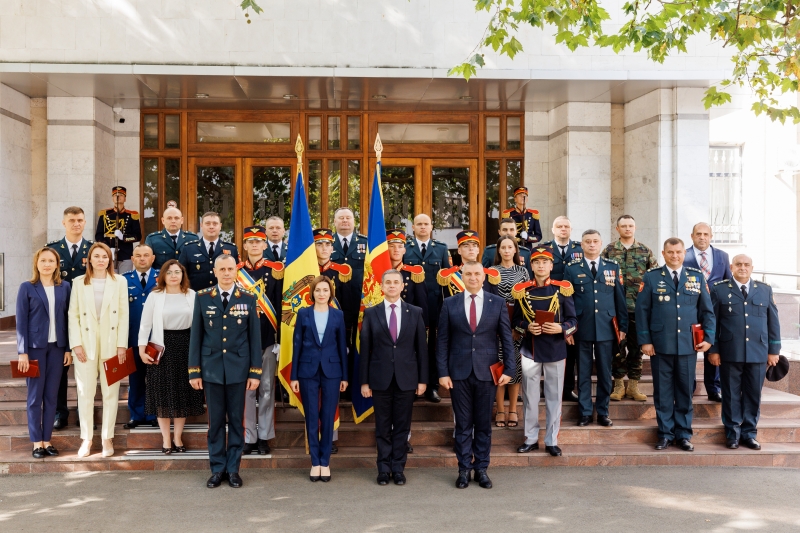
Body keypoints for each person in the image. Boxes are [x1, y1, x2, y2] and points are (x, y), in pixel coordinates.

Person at [437, 261, 515, 489]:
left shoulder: (497, 303)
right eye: (468, 274)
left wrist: (509, 369)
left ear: (484, 277)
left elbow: (506, 339)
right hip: (458, 373)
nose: (472, 277)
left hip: (486, 372)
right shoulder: (449, 304)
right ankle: (463, 470)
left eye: (477, 274)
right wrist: (442, 372)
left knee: (483, 424)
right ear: (462, 276)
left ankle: (481, 468)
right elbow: (442, 341)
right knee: (462, 424)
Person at [635, 237, 715, 452]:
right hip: (660, 345)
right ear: (663, 253)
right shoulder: (652, 277)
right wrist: (645, 341)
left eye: (678, 252)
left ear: (684, 253)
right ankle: (664, 434)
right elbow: (642, 312)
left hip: (688, 346)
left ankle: (683, 435)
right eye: (670, 252)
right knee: (662, 392)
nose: (675, 256)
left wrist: (708, 338)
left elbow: (707, 311)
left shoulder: (696, 277)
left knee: (684, 392)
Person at [188, 254, 261, 489]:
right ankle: (217, 469)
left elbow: (254, 339)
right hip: (211, 371)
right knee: (216, 422)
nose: (227, 273)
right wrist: (194, 371)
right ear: (215, 271)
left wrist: (255, 372)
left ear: (236, 271)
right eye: (223, 269)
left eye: (231, 269)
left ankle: (234, 469)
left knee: (237, 423)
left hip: (239, 371)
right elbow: (196, 337)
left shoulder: (248, 298)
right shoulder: (202, 297)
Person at [360, 270, 428, 485]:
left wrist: (423, 380)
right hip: (379, 379)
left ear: (402, 286)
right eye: (387, 282)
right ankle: (383, 468)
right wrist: (364, 381)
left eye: (395, 282)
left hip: (407, 379)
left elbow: (422, 349)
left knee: (401, 426)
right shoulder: (372, 313)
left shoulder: (415, 312)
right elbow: (366, 350)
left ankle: (398, 468)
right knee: (382, 426)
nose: (391, 285)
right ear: (381, 286)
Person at [709, 254, 781, 450]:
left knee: (753, 394)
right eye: (738, 264)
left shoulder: (764, 290)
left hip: (758, 352)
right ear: (731, 267)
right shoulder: (720, 289)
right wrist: (713, 350)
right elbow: (712, 322)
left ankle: (749, 434)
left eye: (746, 265)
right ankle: (732, 434)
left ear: (752, 267)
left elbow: (773, 322)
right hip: (730, 351)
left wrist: (774, 349)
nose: (742, 267)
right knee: (730, 394)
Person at [512, 248, 578, 457]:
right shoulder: (522, 290)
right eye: (537, 262)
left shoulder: (562, 289)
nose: (541, 265)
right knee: (530, 397)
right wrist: (526, 327)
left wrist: (561, 328)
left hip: (555, 348)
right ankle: (530, 438)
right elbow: (515, 322)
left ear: (551, 266)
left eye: (545, 262)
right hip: (530, 348)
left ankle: (551, 439)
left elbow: (574, 321)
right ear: (531, 266)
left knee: (554, 396)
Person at [68, 242, 130, 458]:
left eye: (105, 256)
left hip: (112, 345)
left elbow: (124, 315)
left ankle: (107, 437)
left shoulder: (119, 281)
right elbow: (73, 315)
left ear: (110, 260)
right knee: (85, 393)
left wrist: (122, 345)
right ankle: (86, 438)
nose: (101, 260)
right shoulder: (78, 283)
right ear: (89, 260)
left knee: (111, 394)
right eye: (97, 256)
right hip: (85, 346)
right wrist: (75, 344)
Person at [138, 260, 205, 454]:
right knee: (163, 394)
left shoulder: (192, 295)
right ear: (163, 276)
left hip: (186, 346)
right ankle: (166, 438)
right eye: (170, 272)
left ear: (183, 275)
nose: (174, 275)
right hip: (161, 347)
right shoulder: (155, 296)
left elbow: (199, 325)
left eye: (178, 272)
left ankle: (178, 436)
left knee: (182, 393)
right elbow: (145, 325)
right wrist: (142, 349)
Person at [564, 230, 628, 427]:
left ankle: (603, 412)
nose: (591, 245)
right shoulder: (572, 268)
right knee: (582, 372)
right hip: (581, 327)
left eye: (595, 241)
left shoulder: (613, 267)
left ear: (601, 244)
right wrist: (568, 329)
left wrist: (622, 327)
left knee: (604, 372)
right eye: (587, 242)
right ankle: (584, 412)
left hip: (606, 327)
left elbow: (620, 299)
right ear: (581, 245)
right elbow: (567, 301)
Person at [290, 276, 348, 483]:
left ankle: (326, 462)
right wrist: (294, 375)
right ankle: (315, 462)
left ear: (330, 293)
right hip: (307, 370)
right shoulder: (303, 313)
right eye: (318, 290)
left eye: (325, 290)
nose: (321, 294)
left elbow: (342, 346)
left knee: (328, 416)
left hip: (333, 371)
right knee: (312, 417)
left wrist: (345, 376)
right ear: (312, 293)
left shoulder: (338, 315)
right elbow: (296, 346)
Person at [16, 247, 71, 458]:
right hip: (34, 350)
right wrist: (23, 352)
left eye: (51, 261)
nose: (47, 264)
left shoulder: (64, 287)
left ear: (57, 264)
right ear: (37, 264)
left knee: (51, 397)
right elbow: (21, 322)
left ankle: (47, 440)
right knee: (34, 397)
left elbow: (67, 320)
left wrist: (67, 348)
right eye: (43, 261)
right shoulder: (27, 288)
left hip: (57, 349)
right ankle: (36, 442)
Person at [238, 225, 285, 456]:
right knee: (247, 391)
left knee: (266, 389)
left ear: (265, 245)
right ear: (244, 245)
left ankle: (265, 436)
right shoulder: (236, 272)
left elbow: (279, 305)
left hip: (267, 339)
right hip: (241, 341)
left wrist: (279, 339)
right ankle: (249, 436)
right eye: (250, 241)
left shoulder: (276, 270)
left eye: (259, 241)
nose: (255, 245)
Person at [602, 214, 658, 402]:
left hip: (638, 309)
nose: (627, 228)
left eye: (630, 225)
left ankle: (633, 386)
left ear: (635, 228)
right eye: (623, 226)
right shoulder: (609, 251)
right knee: (617, 349)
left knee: (636, 349)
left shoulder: (645, 251)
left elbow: (654, 278)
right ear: (617, 229)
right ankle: (618, 385)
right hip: (615, 310)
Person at [47, 206, 93, 430]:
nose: (77, 224)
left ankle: (86, 412)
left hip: (88, 318)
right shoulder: (53, 250)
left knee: (88, 367)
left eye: (80, 220)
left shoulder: (93, 249)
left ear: (85, 223)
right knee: (59, 369)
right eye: (72, 220)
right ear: (64, 223)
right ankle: (60, 412)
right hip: (60, 317)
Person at [404, 213, 451, 403]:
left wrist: (446, 307)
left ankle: (431, 387)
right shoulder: (406, 249)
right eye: (419, 224)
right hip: (410, 307)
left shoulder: (441, 249)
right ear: (413, 228)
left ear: (432, 227)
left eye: (426, 224)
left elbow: (446, 280)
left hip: (434, 307)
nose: (423, 227)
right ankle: (413, 385)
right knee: (411, 347)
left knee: (432, 348)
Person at [684, 222, 732, 402]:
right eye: (698, 234)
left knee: (713, 348)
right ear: (692, 236)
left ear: (711, 236)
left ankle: (714, 388)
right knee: (690, 351)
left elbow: (728, 283)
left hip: (716, 313)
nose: (702, 237)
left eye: (705, 234)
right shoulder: (684, 255)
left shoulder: (722, 256)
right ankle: (689, 387)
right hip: (691, 312)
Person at [541, 215, 583, 401]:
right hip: (549, 303)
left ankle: (567, 389)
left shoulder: (580, 248)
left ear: (571, 229)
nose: (563, 229)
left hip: (574, 305)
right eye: (559, 226)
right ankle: (546, 388)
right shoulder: (544, 249)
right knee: (547, 346)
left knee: (571, 350)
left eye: (566, 226)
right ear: (553, 229)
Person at [491, 235, 529, 429]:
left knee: (514, 367)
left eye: (510, 247)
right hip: (495, 326)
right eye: (503, 247)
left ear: (515, 250)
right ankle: (500, 410)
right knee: (498, 367)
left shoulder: (523, 272)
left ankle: (513, 409)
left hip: (516, 325)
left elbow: (526, 302)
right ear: (498, 250)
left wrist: (518, 328)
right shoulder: (491, 271)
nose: (506, 251)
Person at [122, 245, 159, 430]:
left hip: (156, 339)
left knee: (154, 378)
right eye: (138, 256)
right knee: (135, 378)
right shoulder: (123, 280)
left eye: (146, 255)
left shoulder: (162, 278)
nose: (142, 259)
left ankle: (153, 414)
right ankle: (136, 415)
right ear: (132, 258)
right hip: (132, 338)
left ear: (153, 258)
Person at [330, 207, 367, 381]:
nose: (345, 221)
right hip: (333, 304)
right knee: (335, 344)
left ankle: (354, 381)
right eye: (341, 218)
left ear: (354, 222)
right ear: (335, 222)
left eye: (348, 218)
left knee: (358, 345)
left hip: (359, 304)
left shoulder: (366, 243)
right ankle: (338, 380)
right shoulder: (326, 243)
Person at [179, 211, 239, 292]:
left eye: (215, 224)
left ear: (220, 226)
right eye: (207, 223)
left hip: (222, 299)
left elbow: (237, 276)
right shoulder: (188, 248)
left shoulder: (231, 249)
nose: (211, 227)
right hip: (196, 298)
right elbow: (181, 275)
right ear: (201, 225)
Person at [437, 230, 500, 297]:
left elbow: (494, 303)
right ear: (459, 251)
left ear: (478, 250)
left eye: (474, 245)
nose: (471, 249)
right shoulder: (450, 276)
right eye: (466, 246)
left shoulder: (489, 275)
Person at [95, 186, 142, 273]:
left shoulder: (132, 215)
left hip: (125, 254)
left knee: (124, 280)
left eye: (121, 195)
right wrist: (108, 248)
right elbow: (98, 235)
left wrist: (123, 237)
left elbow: (138, 236)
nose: (118, 197)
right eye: (115, 195)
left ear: (125, 199)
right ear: (112, 198)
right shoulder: (105, 214)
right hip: (109, 254)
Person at [386, 229, 428, 326]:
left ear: (404, 250)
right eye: (392, 246)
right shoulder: (379, 273)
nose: (396, 250)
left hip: (408, 324)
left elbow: (422, 304)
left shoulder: (414, 273)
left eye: (400, 247)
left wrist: (423, 328)